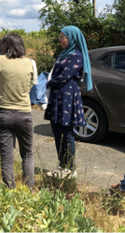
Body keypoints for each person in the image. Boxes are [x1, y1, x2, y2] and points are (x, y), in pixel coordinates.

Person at [0, 33, 36, 189]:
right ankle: (29, 189)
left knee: (7, 158)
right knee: (27, 154)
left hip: (3, 113)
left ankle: (9, 190)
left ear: (6, 46)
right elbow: (31, 87)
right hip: (24, 113)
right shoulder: (30, 63)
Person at [45, 25, 92, 179]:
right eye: (59, 37)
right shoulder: (63, 54)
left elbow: (65, 76)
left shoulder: (76, 55)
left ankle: (70, 168)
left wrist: (48, 83)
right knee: (57, 131)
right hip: (57, 96)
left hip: (67, 98)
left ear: (72, 38)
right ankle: (62, 165)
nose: (60, 40)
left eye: (63, 37)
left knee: (67, 133)